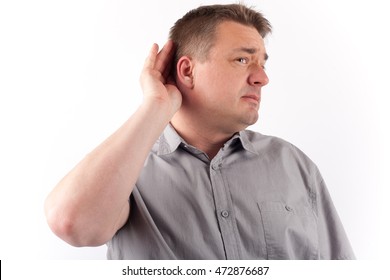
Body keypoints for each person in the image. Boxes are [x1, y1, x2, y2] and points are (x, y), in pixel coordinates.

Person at [44, 3, 355, 260]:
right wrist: (154, 105)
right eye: (242, 59)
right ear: (187, 71)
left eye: (262, 63)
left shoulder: (294, 164)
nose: (261, 77)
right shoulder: (128, 168)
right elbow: (71, 224)